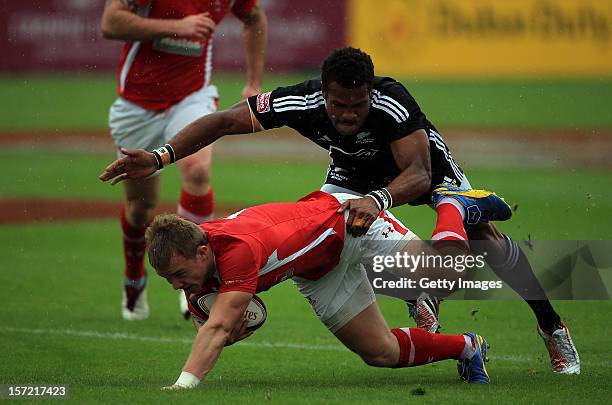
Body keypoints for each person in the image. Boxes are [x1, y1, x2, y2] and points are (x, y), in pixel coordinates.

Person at [98, 47, 579, 375]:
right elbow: (224, 121)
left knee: (483, 249)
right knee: (382, 259)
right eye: (338, 105)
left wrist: (380, 199)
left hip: (422, 173)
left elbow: (415, 171)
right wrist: (160, 157)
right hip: (350, 180)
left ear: (371, 92)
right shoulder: (302, 101)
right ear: (322, 92)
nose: (348, 114)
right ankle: (417, 293)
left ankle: (551, 326)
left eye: (357, 104)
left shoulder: (392, 105)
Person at [144, 191, 490, 389]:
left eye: (177, 274)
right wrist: (226, 331)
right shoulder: (193, 264)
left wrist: (183, 386)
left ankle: (452, 203)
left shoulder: (237, 250)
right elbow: (216, 331)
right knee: (380, 352)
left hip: (348, 224)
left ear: (202, 252)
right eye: (167, 280)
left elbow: (217, 328)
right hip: (318, 270)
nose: (176, 284)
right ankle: (468, 347)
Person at [100, 0, 267, 321]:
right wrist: (177, 27)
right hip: (137, 105)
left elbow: (255, 17)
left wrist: (254, 82)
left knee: (198, 171)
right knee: (140, 209)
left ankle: (197, 280)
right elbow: (110, 23)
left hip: (192, 97)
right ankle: (134, 275)